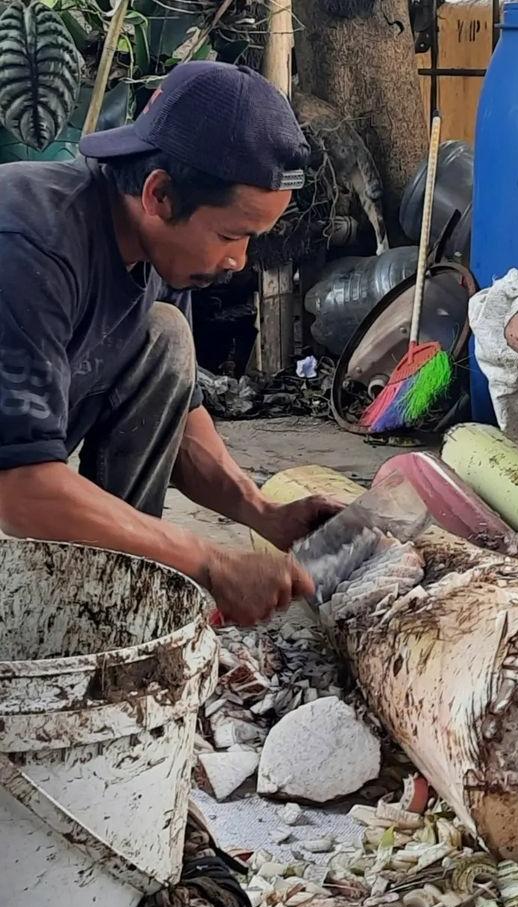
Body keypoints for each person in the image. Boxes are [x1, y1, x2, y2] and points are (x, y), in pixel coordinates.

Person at [0, 61, 342, 625]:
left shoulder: (160, 254)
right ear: (159, 194)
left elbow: (182, 418)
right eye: (232, 236)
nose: (239, 262)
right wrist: (206, 562)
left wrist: (263, 513)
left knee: (166, 336)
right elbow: (21, 489)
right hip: (15, 478)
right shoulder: (31, 247)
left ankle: (110, 601)